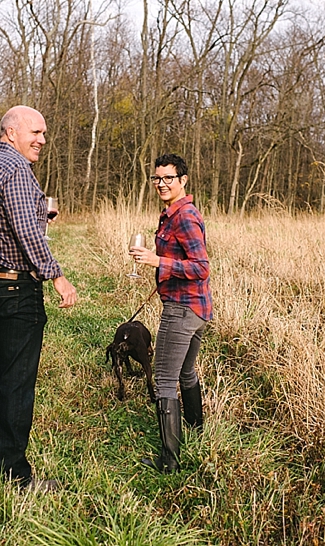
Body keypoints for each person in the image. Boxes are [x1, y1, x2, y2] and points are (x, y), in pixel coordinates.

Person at [0, 105, 77, 491]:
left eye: (44, 133)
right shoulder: (16, 170)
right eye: (36, 132)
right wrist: (57, 276)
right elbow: (28, 236)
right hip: (14, 287)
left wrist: (39, 215)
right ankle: (13, 472)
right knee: (17, 378)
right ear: (11, 132)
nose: (42, 140)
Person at [129, 153, 212, 473]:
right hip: (196, 309)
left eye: (168, 178)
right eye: (157, 178)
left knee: (164, 379)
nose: (161, 184)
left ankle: (169, 461)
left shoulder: (184, 216)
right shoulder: (172, 213)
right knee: (186, 373)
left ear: (183, 180)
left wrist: (157, 262)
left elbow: (201, 268)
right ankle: (195, 434)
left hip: (182, 309)